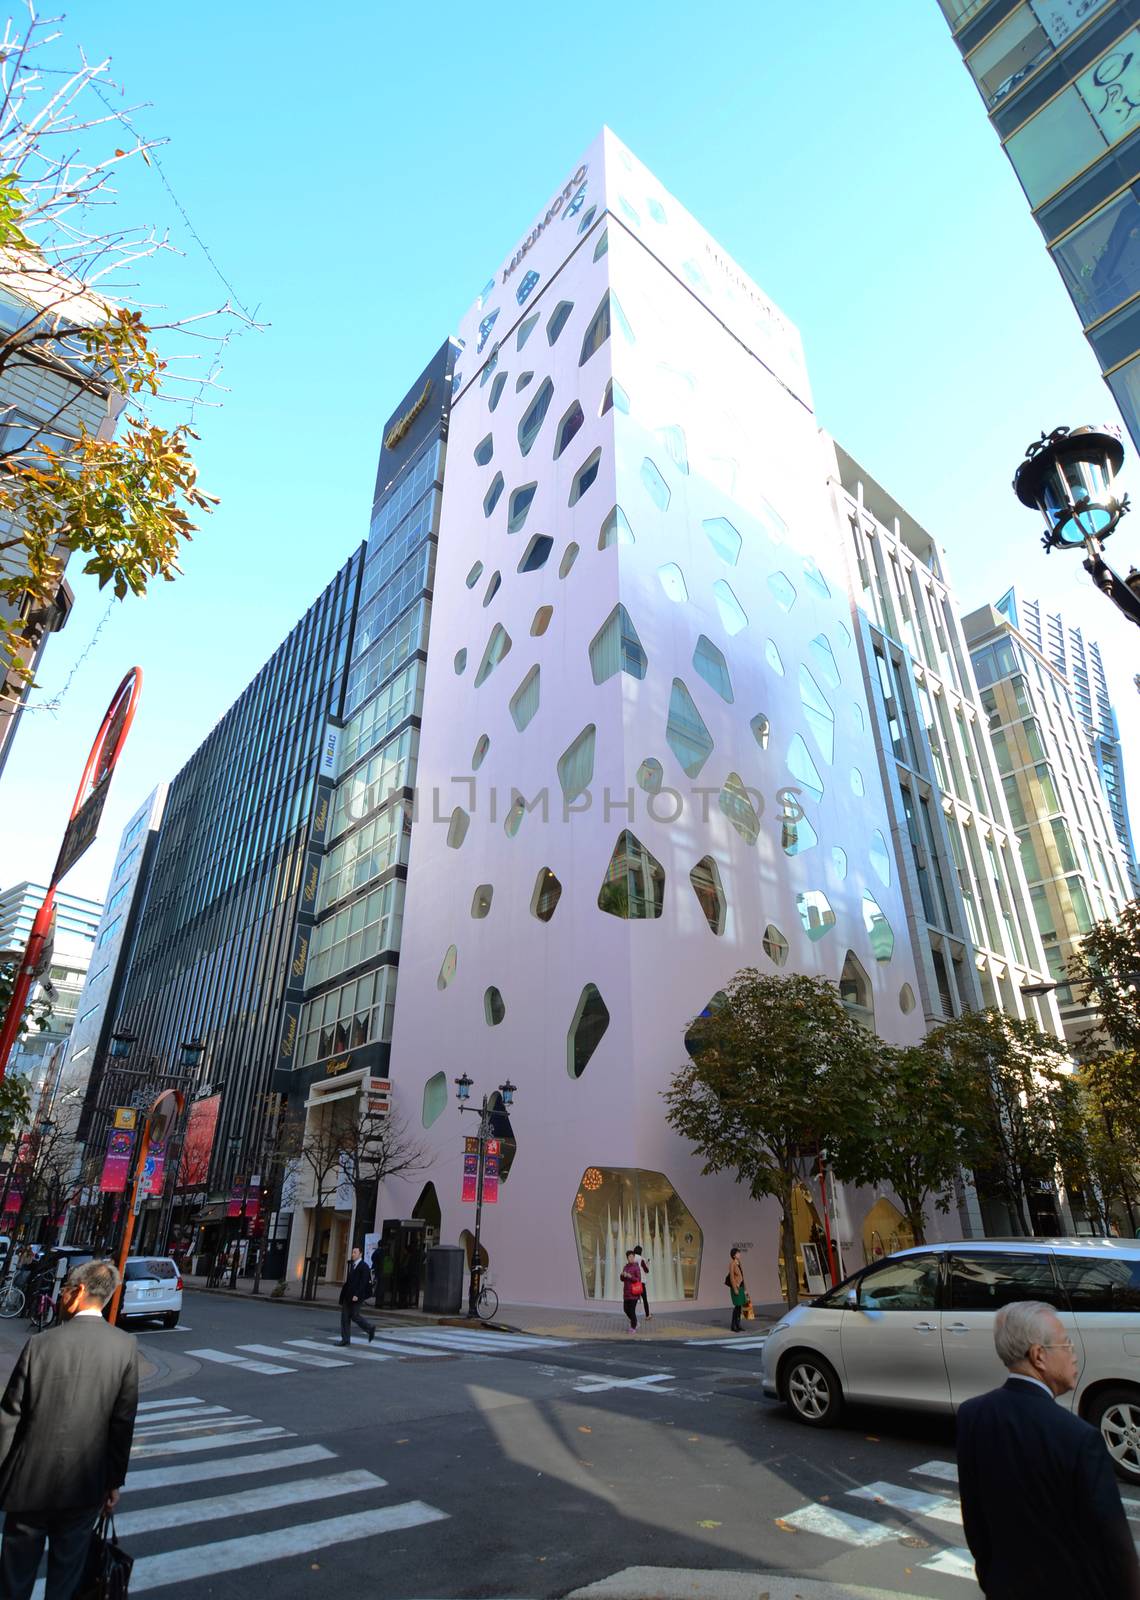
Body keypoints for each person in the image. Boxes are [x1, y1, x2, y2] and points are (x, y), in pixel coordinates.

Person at [957, 1300, 1140, 1599]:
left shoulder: (972, 1415)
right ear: (1039, 1355)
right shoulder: (1080, 1437)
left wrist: (991, 1581)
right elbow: (1115, 1547)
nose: (1074, 1355)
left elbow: (975, 1520)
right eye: (1066, 1345)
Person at [0, 1259, 138, 1600]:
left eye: (65, 1290)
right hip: (85, 1486)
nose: (62, 1297)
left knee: (13, 1579)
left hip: (29, 1484)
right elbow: (122, 1424)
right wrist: (113, 1483)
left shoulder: (41, 1344)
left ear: (77, 1292)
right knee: (67, 1579)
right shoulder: (124, 1347)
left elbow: (9, 1416)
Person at [337, 1246, 377, 1346]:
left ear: (360, 1254)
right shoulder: (353, 1265)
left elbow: (363, 1283)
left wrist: (357, 1295)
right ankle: (345, 1339)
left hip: (356, 1296)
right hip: (348, 1295)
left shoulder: (364, 1266)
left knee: (355, 1316)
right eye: (352, 1252)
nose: (353, 1254)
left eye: (355, 1252)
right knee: (345, 1317)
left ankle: (370, 1327)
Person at [619, 1250, 642, 1332]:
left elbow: (638, 1280)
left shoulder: (636, 1267)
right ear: (627, 1258)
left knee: (632, 1310)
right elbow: (622, 1279)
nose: (631, 1258)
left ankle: (633, 1327)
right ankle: (635, 1322)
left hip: (634, 1293)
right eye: (629, 1257)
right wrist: (622, 1275)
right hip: (626, 1293)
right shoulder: (625, 1267)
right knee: (625, 1309)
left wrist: (630, 1276)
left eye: (632, 1257)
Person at [727, 1247, 747, 1331]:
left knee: (740, 1307)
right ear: (734, 1255)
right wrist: (735, 1289)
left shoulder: (739, 1263)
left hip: (741, 1287)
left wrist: (745, 1288)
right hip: (736, 1287)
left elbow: (742, 1276)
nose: (740, 1254)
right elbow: (732, 1277)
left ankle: (738, 1325)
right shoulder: (732, 1264)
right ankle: (733, 1325)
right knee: (737, 1306)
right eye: (738, 1253)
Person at [633, 1244, 652, 1321]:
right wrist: (648, 1263)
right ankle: (647, 1315)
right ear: (640, 1252)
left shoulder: (632, 1258)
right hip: (641, 1283)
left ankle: (632, 1315)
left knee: (634, 1300)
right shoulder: (641, 1259)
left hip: (635, 1282)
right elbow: (646, 1270)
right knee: (644, 1299)